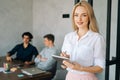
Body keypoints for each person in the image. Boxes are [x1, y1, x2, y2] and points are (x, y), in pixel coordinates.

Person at [60, 1, 105, 80]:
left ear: (89, 17)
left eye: (84, 15)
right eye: (76, 15)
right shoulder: (68, 37)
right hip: (69, 77)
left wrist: (81, 68)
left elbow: (100, 67)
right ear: (73, 17)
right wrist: (64, 62)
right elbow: (64, 65)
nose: (79, 19)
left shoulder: (97, 38)